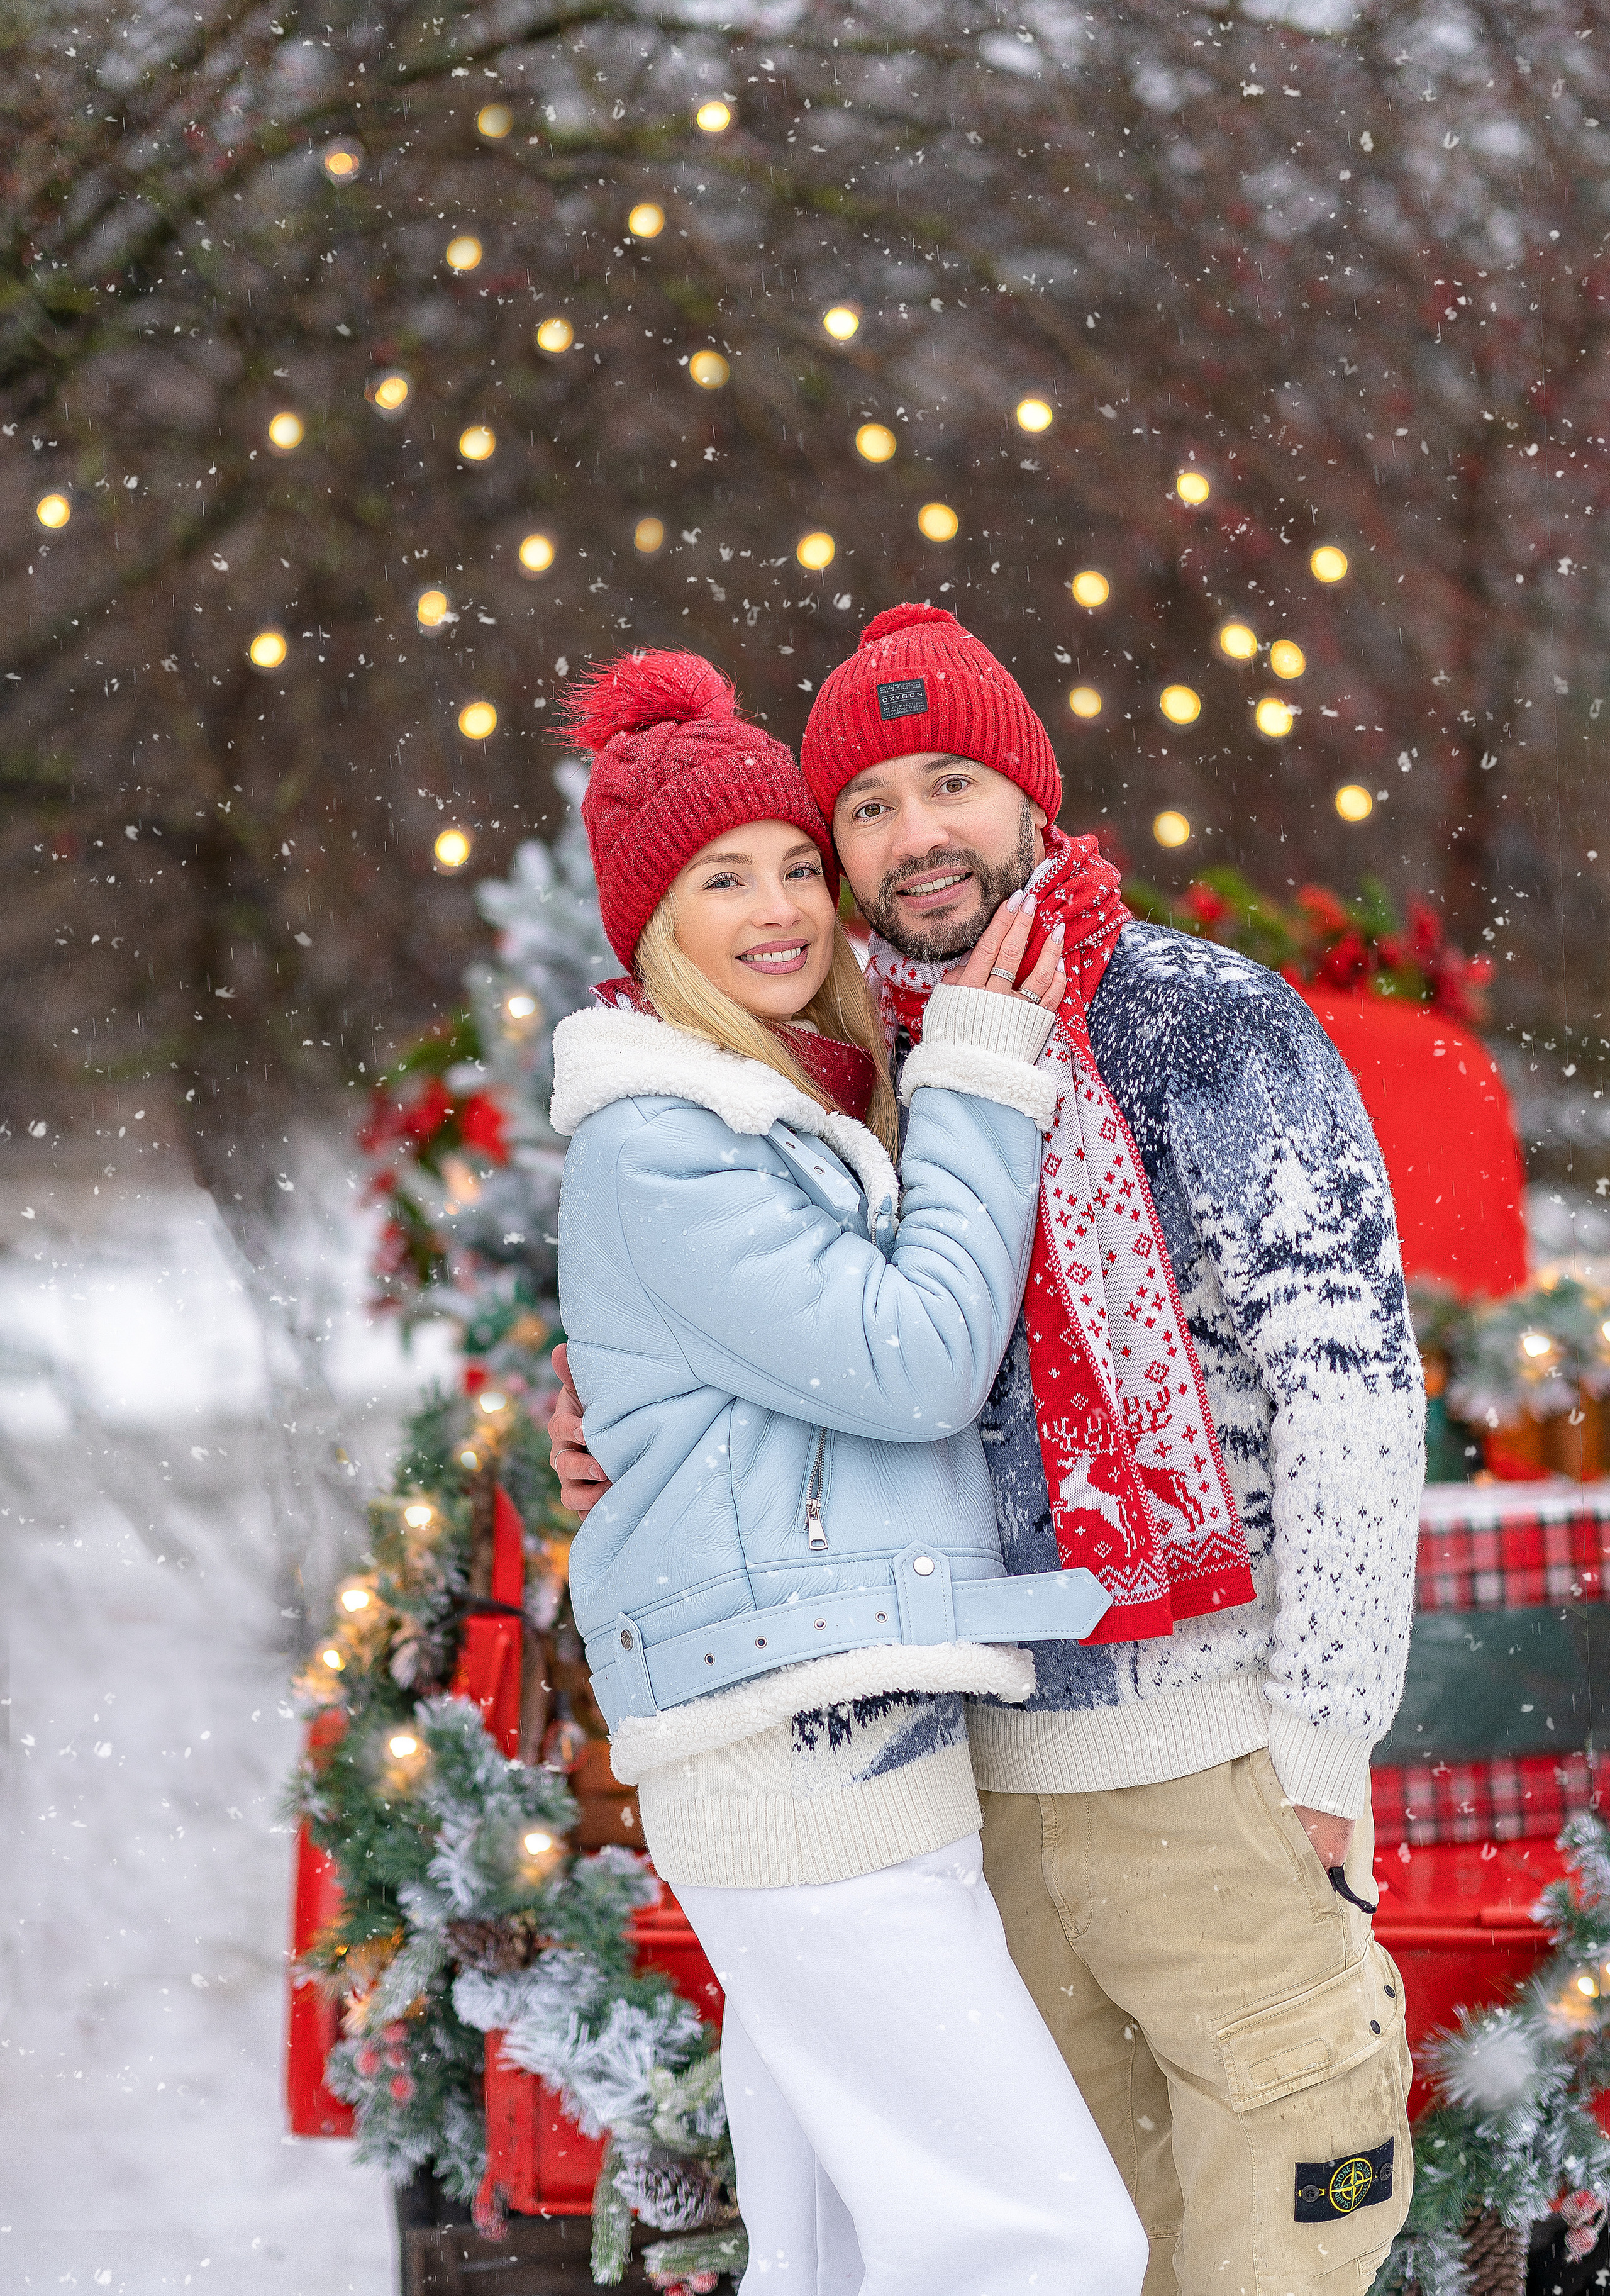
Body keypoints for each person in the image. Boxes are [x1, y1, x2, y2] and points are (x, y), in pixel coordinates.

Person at [553, 606, 1424, 2296]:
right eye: (865, 807)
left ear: (1035, 794)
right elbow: (799, 1324)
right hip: (965, 1773)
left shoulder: (1200, 1024)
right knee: (1069, 2252)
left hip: (1209, 1760)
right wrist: (620, 1426)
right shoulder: (866, 1070)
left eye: (952, 780)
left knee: (1286, 2217)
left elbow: (1350, 1395)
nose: (912, 834)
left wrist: (1321, 1739)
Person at [547, 647, 1148, 2296]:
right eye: (719, 879)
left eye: (798, 866)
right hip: (797, 1743)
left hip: (844, 1728)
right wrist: (980, 1062)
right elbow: (909, 1359)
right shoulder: (666, 1132)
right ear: (651, 928)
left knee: (835, 2244)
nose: (781, 908)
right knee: (1044, 2243)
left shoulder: (785, 1100)